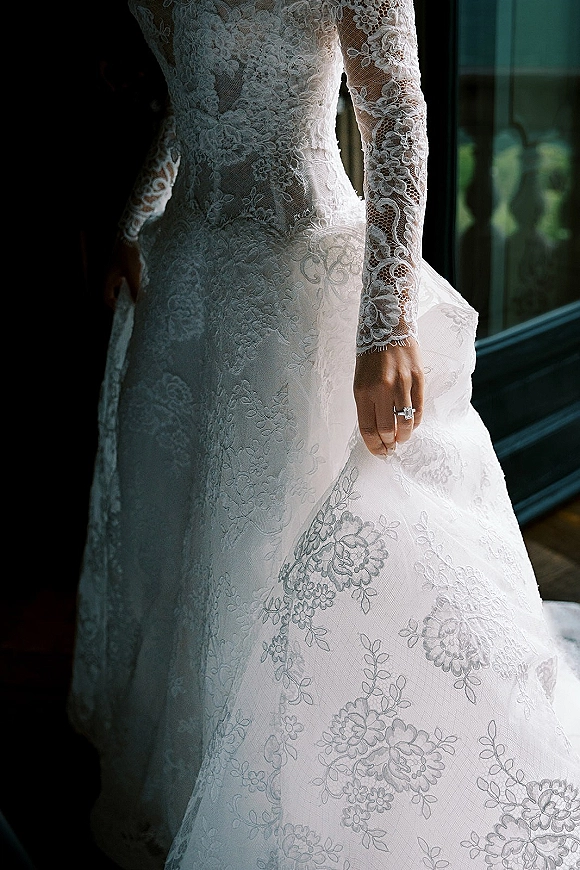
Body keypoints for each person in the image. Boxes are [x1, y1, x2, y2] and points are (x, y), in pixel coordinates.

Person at [68, 1, 580, 868]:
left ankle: (290, 798)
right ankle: (202, 784)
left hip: (292, 279)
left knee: (272, 548)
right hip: (187, 282)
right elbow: (195, 104)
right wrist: (132, 218)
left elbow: (400, 119)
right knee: (190, 553)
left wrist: (385, 326)